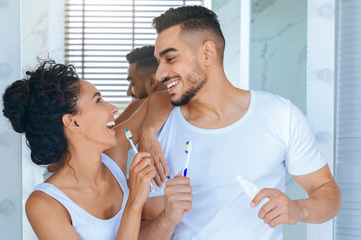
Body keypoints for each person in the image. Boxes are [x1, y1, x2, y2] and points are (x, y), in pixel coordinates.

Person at [137, 6, 342, 240]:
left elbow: (328, 193)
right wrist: (167, 218)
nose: (160, 73)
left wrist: (298, 209)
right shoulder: (158, 132)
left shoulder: (280, 115)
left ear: (207, 53)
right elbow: (138, 231)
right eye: (158, 62)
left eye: (170, 58)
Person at [2, 60, 157, 240]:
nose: (113, 108)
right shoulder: (44, 204)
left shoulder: (115, 155)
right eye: (98, 101)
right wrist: (135, 203)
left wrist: (149, 133)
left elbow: (159, 99)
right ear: (73, 122)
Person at [115, 45, 167, 126]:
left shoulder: (139, 107)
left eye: (132, 84)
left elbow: (101, 137)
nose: (128, 93)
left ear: (152, 82)